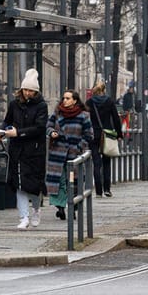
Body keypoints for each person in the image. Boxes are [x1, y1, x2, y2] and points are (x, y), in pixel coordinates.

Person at [0, 68, 49, 229]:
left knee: (33, 185)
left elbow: (40, 128)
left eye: (31, 90)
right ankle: (23, 217)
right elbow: (7, 121)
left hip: (34, 151)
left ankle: (35, 210)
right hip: (17, 150)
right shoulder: (14, 104)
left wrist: (18, 133)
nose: (28, 93)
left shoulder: (41, 106)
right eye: (26, 89)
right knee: (19, 184)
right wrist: (1, 131)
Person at [46, 90, 94, 219]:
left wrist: (79, 146)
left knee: (73, 182)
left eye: (68, 98)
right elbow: (48, 126)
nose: (64, 101)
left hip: (74, 154)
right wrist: (52, 133)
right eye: (63, 98)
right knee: (59, 181)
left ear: (75, 100)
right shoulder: (57, 113)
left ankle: (72, 207)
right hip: (57, 152)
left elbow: (89, 135)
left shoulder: (83, 116)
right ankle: (61, 207)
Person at [86, 81, 122, 197]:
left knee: (96, 163)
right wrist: (119, 134)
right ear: (104, 90)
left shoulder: (90, 102)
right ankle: (107, 189)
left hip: (94, 135)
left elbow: (85, 118)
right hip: (107, 134)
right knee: (106, 161)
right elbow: (116, 119)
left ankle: (98, 191)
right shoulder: (110, 101)